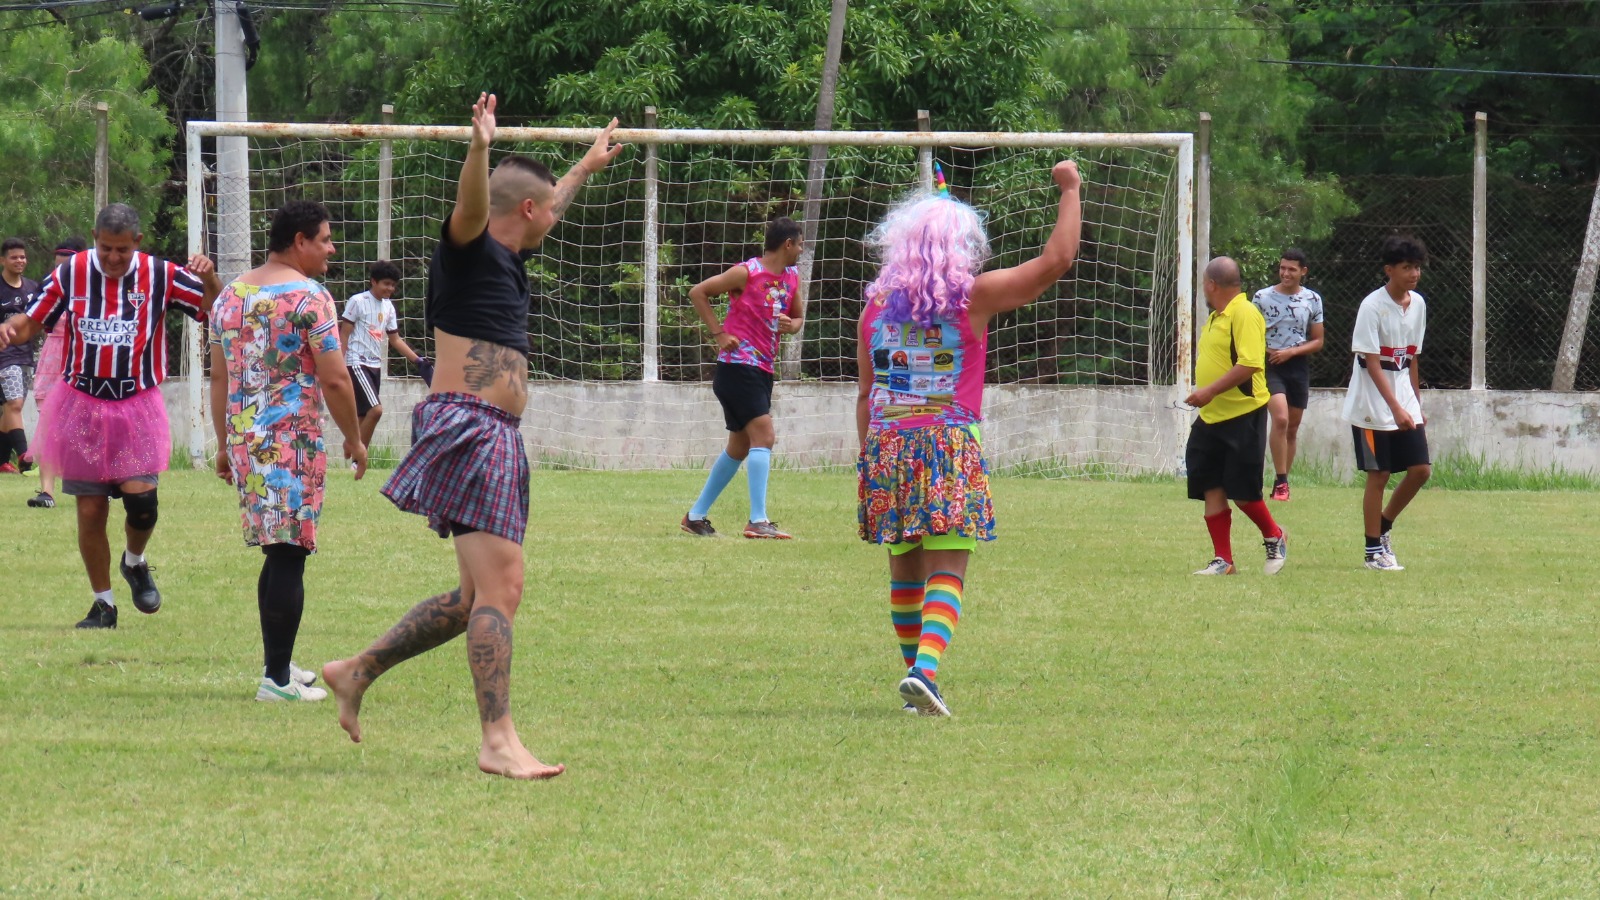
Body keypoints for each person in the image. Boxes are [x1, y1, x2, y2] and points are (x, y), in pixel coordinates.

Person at [322, 94, 623, 779]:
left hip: (491, 429)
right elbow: (471, 207)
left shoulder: (512, 252)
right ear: (523, 212)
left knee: (470, 600)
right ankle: (497, 741)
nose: (553, 215)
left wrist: (582, 167)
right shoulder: (468, 246)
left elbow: (546, 201)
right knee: (502, 590)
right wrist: (480, 148)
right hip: (470, 425)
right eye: (545, 207)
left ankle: (356, 671)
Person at [855, 161, 1081, 717]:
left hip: (885, 445)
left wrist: (868, 460)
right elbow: (1056, 262)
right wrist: (1071, 190)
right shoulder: (969, 300)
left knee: (904, 568)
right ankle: (925, 672)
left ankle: (914, 681)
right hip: (945, 443)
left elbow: (865, 393)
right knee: (948, 568)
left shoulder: (874, 309)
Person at [0, 204, 221, 629]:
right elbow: (33, 321)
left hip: (136, 403)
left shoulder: (161, 274)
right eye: (105, 249)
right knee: (89, 511)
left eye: (121, 250)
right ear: (94, 238)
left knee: (143, 503)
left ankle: (134, 561)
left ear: (136, 243)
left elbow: (212, 308)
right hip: (80, 403)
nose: (113, 258)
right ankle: (103, 605)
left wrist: (210, 276)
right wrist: (13, 327)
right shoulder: (72, 272)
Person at [210, 200, 368, 701]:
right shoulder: (312, 298)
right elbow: (336, 378)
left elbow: (220, 377)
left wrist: (221, 443)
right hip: (291, 443)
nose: (331, 248)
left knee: (277, 553)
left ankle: (277, 665)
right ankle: (276, 682)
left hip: (244, 441)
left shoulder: (230, 295)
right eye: (324, 238)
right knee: (289, 556)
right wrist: (355, 437)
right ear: (299, 241)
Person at [680, 216, 804, 539]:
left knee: (739, 447)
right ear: (788, 244)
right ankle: (758, 520)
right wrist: (719, 333)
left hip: (762, 370)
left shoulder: (792, 278)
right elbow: (698, 293)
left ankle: (695, 516)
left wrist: (795, 324)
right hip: (737, 367)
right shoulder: (746, 273)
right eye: (800, 243)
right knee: (764, 436)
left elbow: (799, 316)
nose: (801, 250)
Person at [1185, 257, 1288, 577]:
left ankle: (1275, 535)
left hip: (1243, 415)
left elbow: (1249, 365)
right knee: (1210, 485)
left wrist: (1208, 391)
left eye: (1203, 282)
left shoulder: (1244, 313)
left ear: (1211, 285)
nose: (1203, 287)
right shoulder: (1217, 317)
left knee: (1243, 494)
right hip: (1212, 418)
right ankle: (1223, 560)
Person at [1342, 235, 1431, 571]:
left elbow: (1411, 357)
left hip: (1402, 399)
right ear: (1389, 270)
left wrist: (1415, 403)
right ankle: (1372, 552)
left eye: (1417, 267)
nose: (1414, 273)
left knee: (1420, 470)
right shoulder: (1372, 306)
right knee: (1378, 474)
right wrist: (1394, 407)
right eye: (1407, 267)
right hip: (1370, 405)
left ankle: (1384, 527)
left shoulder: (1418, 304)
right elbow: (1372, 361)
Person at [1251, 248, 1324, 501]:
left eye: (1292, 269)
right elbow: (1250, 333)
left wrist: (1291, 353)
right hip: (1269, 363)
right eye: (1282, 268)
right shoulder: (1261, 297)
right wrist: (1270, 351)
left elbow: (1317, 341)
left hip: (1297, 366)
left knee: (1291, 428)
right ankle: (1282, 483)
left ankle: (1281, 482)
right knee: (1280, 419)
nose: (1286, 273)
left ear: (1303, 272)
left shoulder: (1312, 299)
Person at [341, 259, 427, 452]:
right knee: (376, 410)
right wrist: (339, 363)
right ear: (373, 281)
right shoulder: (357, 301)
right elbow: (344, 334)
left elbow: (395, 340)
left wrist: (418, 361)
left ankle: (352, 452)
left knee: (364, 415)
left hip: (375, 366)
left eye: (393, 285)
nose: (390, 288)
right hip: (356, 363)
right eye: (386, 284)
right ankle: (358, 454)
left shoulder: (388, 307)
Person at [28, 237, 86, 508]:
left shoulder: (93, 291)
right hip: (54, 361)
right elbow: (34, 322)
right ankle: (47, 491)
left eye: (66, 268)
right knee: (50, 427)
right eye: (57, 268)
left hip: (82, 359)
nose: (59, 275)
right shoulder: (48, 291)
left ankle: (94, 485)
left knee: (88, 426)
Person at [0, 237, 39, 475]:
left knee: (10, 408)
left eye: (23, 257)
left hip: (26, 355)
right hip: (4, 357)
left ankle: (2, 461)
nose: (20, 261)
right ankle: (25, 456)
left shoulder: (32, 288)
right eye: (14, 257)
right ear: (3, 260)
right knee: (14, 404)